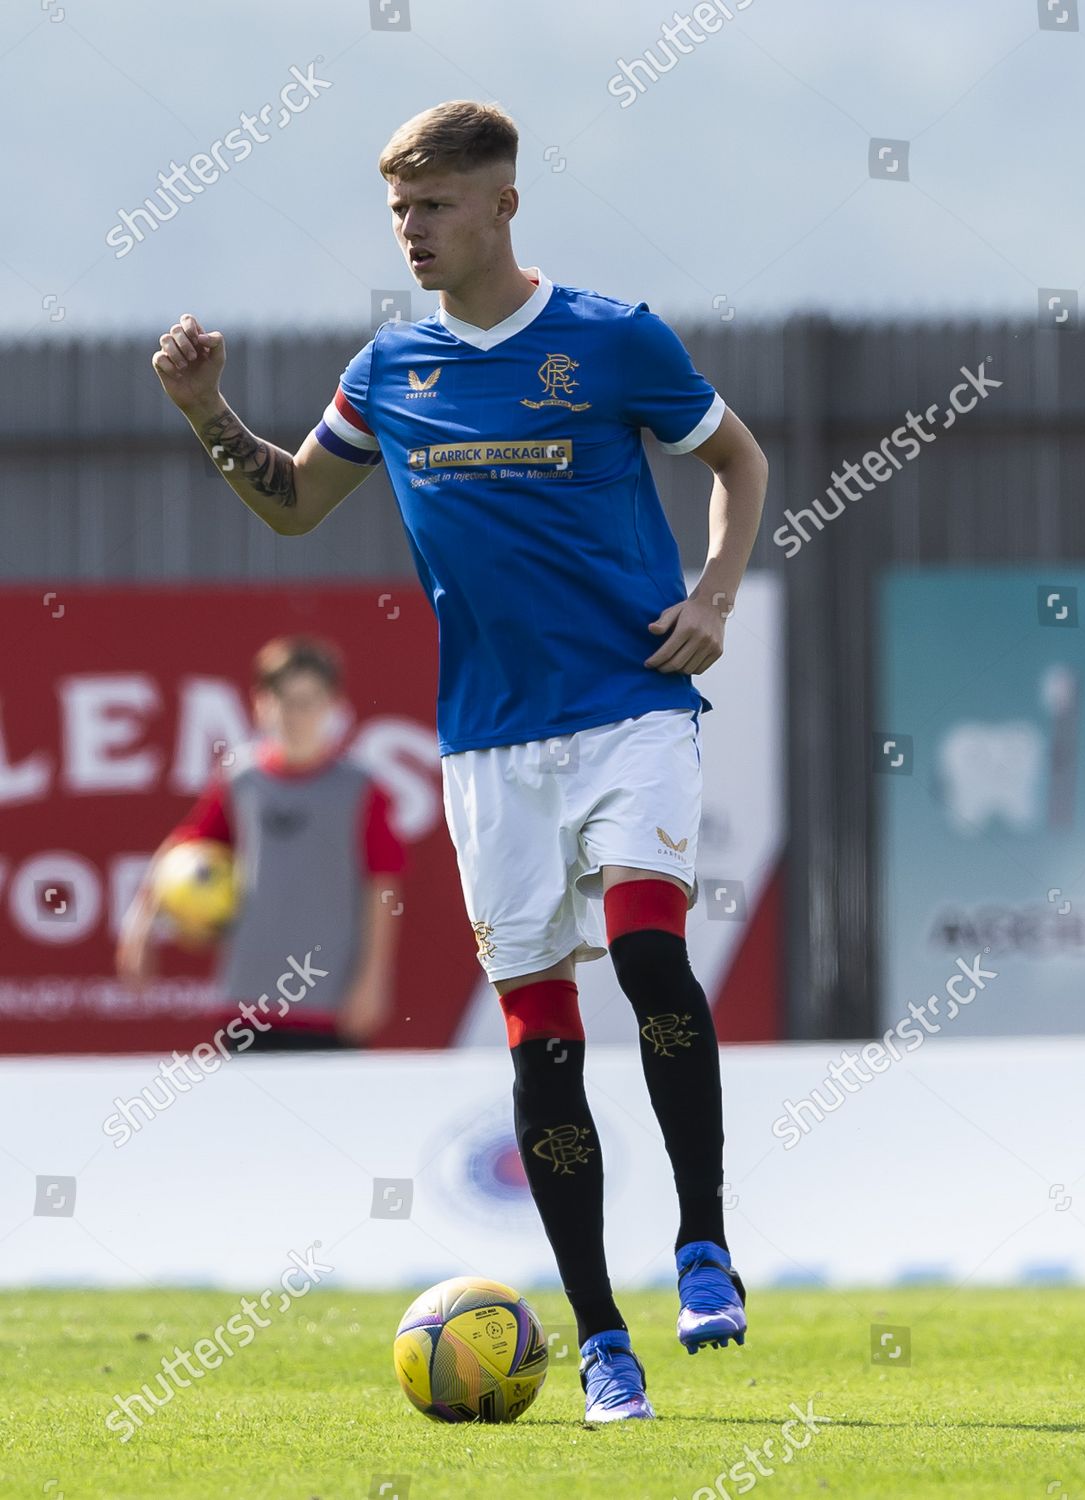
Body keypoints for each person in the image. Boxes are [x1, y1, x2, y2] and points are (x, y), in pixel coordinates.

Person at [148, 99, 768, 1421]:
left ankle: (703, 1243)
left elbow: (738, 457)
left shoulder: (612, 338)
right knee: (542, 1046)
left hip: (629, 705)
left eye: (432, 208)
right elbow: (296, 504)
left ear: (501, 204)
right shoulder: (389, 370)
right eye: (396, 212)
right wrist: (209, 413)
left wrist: (713, 595)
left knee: (650, 953)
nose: (411, 232)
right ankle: (602, 1341)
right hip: (488, 743)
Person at [117, 635, 405, 1051]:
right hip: (246, 1000)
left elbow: (382, 887)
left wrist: (373, 979)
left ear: (333, 705)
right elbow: (183, 849)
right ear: (260, 702)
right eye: (284, 700)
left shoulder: (360, 789)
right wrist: (141, 926)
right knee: (247, 1117)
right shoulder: (240, 779)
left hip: (329, 1003)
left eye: (309, 701)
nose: (296, 714)